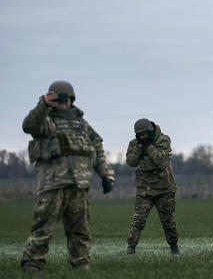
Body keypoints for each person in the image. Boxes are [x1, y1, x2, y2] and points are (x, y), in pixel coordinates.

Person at [20, 81, 115, 270]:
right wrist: (43, 105)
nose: (62, 102)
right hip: (52, 185)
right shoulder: (47, 121)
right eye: (57, 98)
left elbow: (97, 150)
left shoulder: (83, 125)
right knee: (43, 227)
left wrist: (107, 175)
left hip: (79, 186)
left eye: (65, 98)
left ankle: (80, 264)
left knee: (80, 230)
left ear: (71, 99)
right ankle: (32, 263)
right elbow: (29, 126)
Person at [125, 118, 179, 255]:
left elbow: (161, 160)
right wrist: (138, 149)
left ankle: (174, 247)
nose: (142, 137)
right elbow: (130, 161)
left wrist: (148, 147)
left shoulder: (163, 140)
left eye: (145, 134)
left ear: (150, 131)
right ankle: (131, 247)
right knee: (138, 220)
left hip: (164, 188)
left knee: (168, 221)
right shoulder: (134, 144)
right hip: (145, 189)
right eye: (140, 135)